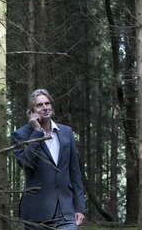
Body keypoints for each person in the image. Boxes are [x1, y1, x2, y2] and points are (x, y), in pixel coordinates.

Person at [12, 89, 86, 229]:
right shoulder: (21, 135)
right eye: (39, 105)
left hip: (66, 211)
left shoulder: (66, 132)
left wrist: (79, 207)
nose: (45, 108)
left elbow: (74, 171)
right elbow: (26, 163)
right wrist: (36, 132)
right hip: (36, 213)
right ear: (32, 111)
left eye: (47, 103)